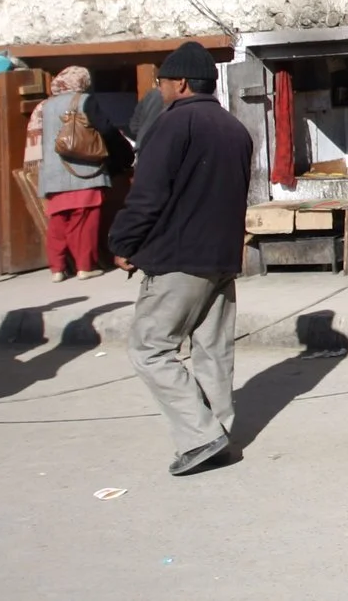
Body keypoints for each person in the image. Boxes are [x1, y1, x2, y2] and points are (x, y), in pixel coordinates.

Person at [110, 41, 251, 476]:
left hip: (178, 257)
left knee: (150, 348)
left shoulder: (172, 126)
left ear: (182, 84)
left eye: (163, 82)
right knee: (212, 349)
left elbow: (148, 195)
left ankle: (201, 435)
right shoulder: (235, 128)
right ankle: (218, 432)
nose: (161, 89)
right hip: (222, 255)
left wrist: (124, 242)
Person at [36, 65, 111, 281]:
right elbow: (104, 129)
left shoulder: (46, 105)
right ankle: (84, 266)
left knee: (58, 223)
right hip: (82, 171)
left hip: (54, 172)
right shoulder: (84, 100)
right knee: (84, 222)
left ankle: (57, 269)